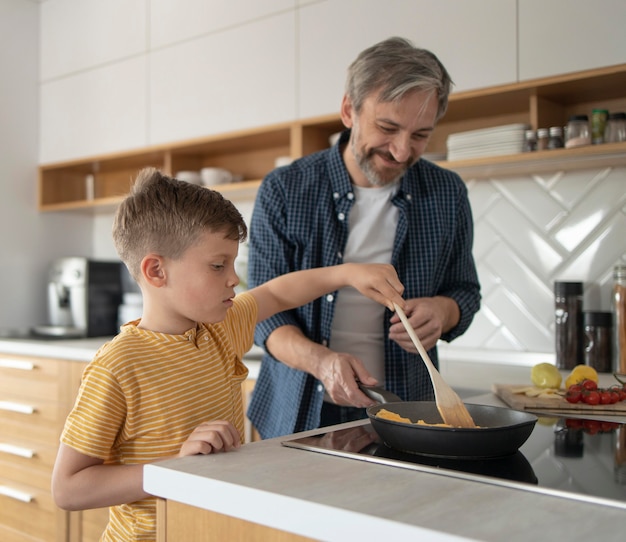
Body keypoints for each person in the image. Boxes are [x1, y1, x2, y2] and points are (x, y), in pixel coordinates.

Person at [51, 167, 405, 542]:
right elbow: (69, 488)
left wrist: (347, 274)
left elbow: (278, 294)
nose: (234, 278)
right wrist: (176, 469)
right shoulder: (118, 366)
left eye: (233, 263)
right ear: (156, 271)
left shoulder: (221, 328)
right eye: (218, 265)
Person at [247, 36, 481, 439]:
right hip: (298, 409)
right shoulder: (285, 189)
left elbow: (465, 291)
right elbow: (262, 312)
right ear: (348, 110)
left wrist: (443, 312)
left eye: (421, 135)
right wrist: (322, 361)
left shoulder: (447, 193)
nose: (403, 151)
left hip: (410, 410)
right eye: (388, 127)